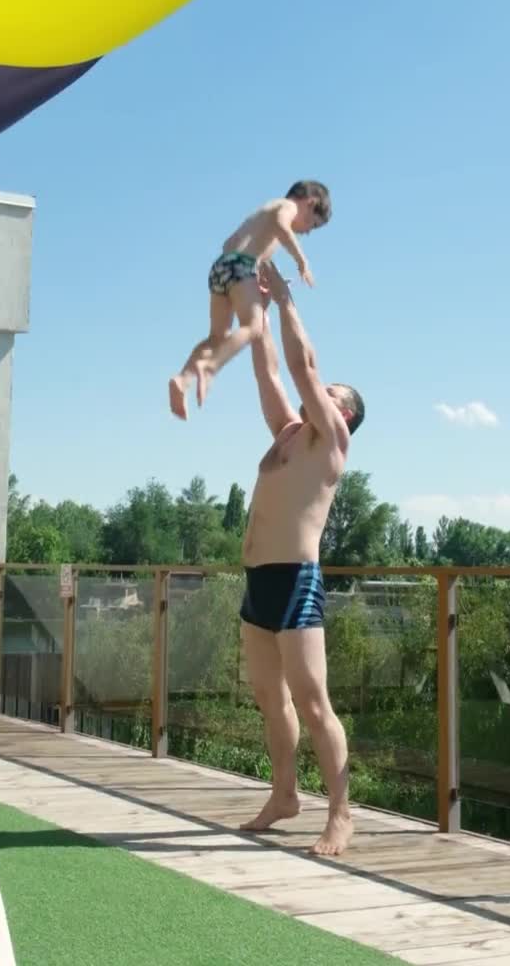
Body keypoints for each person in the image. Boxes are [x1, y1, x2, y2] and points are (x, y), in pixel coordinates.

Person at [239, 261, 365, 856]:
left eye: (333, 397)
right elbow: (270, 369)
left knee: (314, 703)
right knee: (270, 697)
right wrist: (257, 312)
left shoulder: (332, 447)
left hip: (296, 582)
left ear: (344, 418)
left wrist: (287, 299)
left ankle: (341, 813)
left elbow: (301, 366)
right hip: (258, 581)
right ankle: (285, 793)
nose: (322, 396)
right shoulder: (289, 435)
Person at [168, 181, 331, 420]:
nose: (306, 231)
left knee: (217, 336)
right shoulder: (286, 206)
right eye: (312, 225)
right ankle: (210, 367)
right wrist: (301, 261)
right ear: (311, 203)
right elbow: (281, 225)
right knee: (253, 327)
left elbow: (229, 244)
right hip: (240, 266)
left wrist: (251, 279)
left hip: (222, 267)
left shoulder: (260, 219)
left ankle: (182, 379)